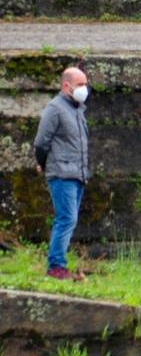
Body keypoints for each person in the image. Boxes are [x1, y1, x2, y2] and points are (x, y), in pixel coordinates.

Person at [32, 67, 91, 280]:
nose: (84, 89)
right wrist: (42, 163)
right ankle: (56, 266)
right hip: (62, 173)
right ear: (67, 85)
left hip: (77, 173)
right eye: (80, 84)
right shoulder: (55, 109)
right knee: (66, 219)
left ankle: (58, 263)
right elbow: (41, 142)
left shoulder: (77, 109)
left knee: (69, 220)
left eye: (85, 84)